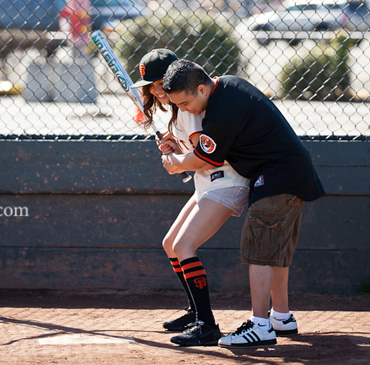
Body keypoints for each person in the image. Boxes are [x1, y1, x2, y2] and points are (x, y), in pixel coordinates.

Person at [161, 60, 325, 349]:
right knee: (273, 250)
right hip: (289, 172)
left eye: (185, 103)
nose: (184, 110)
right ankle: (281, 317)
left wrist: (175, 165)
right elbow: (207, 149)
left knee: (259, 251)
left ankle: (260, 325)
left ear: (202, 88)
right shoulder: (229, 85)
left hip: (278, 176)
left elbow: (203, 159)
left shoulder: (222, 111)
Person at [131, 49, 250, 347]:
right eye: (151, 86)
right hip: (208, 184)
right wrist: (176, 143)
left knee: (184, 245)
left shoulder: (187, 108)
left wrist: (177, 162)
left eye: (160, 83)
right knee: (171, 244)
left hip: (225, 182)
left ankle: (206, 324)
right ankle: (195, 312)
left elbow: (206, 158)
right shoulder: (179, 109)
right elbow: (193, 148)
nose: (156, 90)